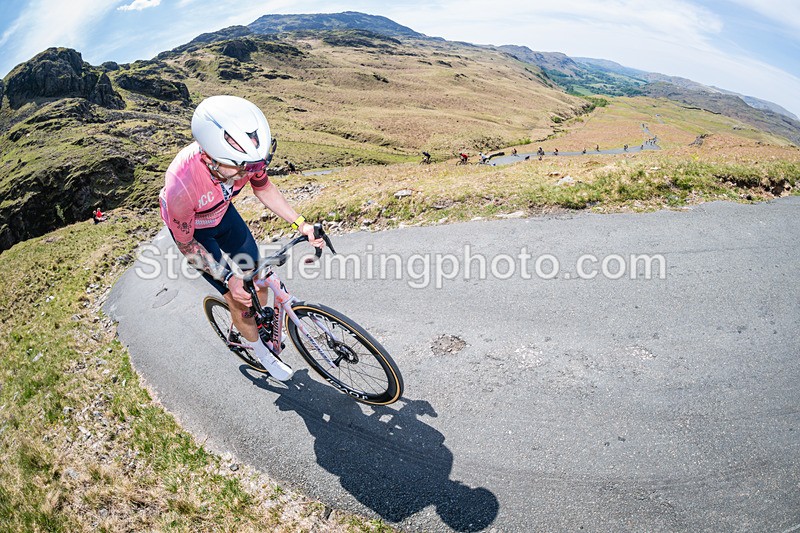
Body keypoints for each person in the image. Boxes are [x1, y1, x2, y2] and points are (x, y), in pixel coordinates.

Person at [158, 95, 323, 381]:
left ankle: (256, 321)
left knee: (257, 277)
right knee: (239, 299)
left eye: (254, 165)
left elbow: (264, 188)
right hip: (195, 235)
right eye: (240, 168)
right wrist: (227, 279)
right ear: (209, 158)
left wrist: (300, 224)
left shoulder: (246, 160)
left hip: (223, 216)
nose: (248, 173)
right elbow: (187, 246)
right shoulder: (180, 187)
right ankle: (260, 352)